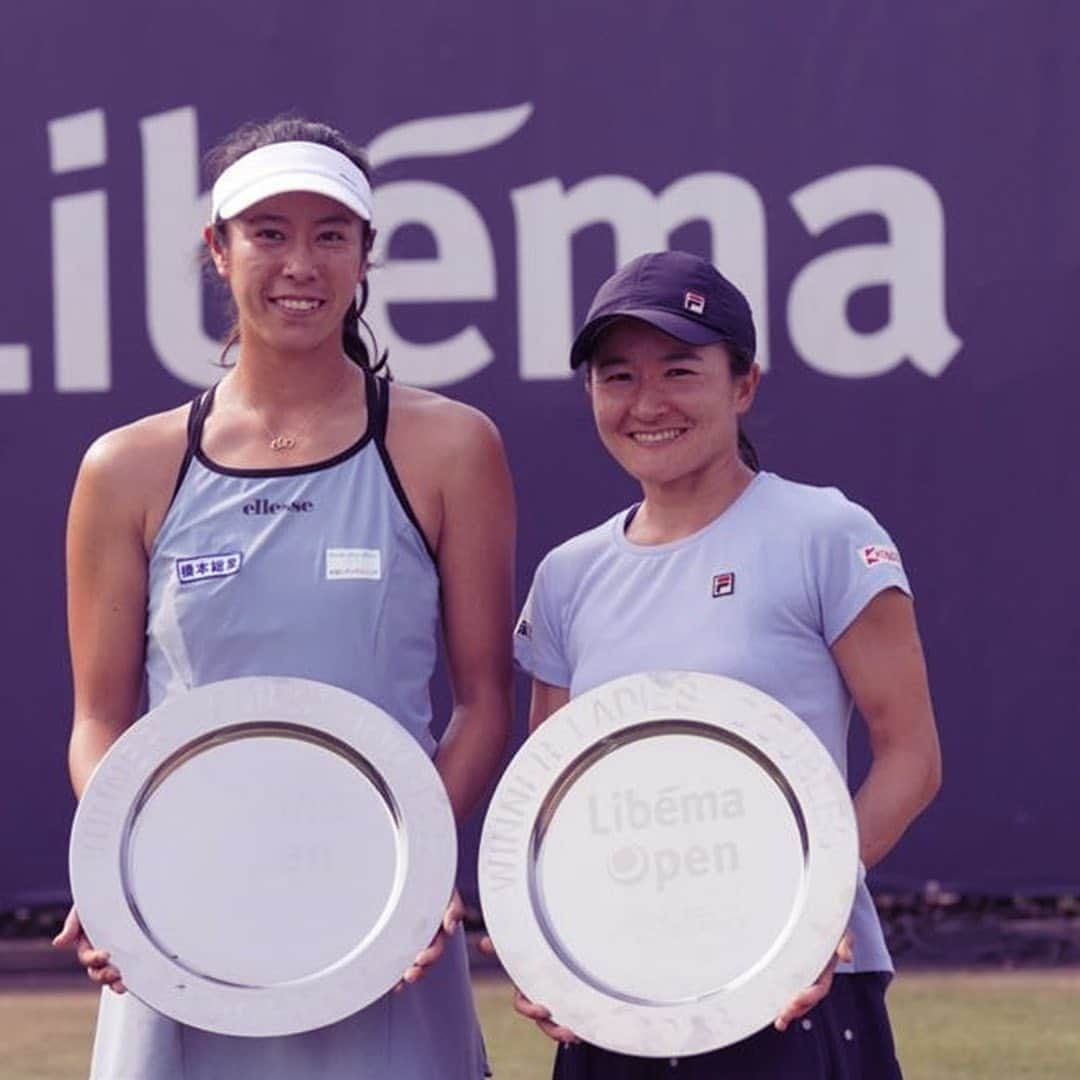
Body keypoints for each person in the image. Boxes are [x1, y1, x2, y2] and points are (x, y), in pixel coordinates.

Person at [54, 116, 514, 1078]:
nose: (299, 263)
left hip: (384, 926)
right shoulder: (125, 469)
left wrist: (412, 866)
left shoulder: (452, 446)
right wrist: (122, 872)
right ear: (218, 250)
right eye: (268, 232)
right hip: (186, 921)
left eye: (329, 234)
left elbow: (482, 703)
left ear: (366, 255)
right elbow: (101, 720)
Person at [507, 250, 942, 1078]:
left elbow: (912, 759)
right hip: (621, 992)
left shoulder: (826, 532)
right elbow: (552, 805)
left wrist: (808, 910)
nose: (648, 403)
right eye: (617, 377)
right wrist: (543, 948)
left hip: (794, 989)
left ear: (743, 385)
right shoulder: (567, 576)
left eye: (680, 370)